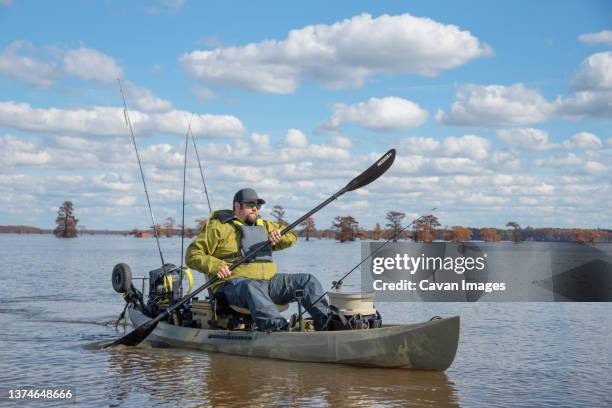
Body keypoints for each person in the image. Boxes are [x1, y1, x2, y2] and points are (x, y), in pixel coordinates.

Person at [185, 188, 329, 331]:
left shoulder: (265, 225)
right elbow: (192, 255)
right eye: (250, 205)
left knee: (306, 281)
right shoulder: (218, 227)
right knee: (251, 286)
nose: (255, 209)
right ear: (237, 206)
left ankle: (327, 322)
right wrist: (216, 266)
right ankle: (277, 329)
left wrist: (279, 235)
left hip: (268, 283)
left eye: (258, 205)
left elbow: (292, 236)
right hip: (232, 286)